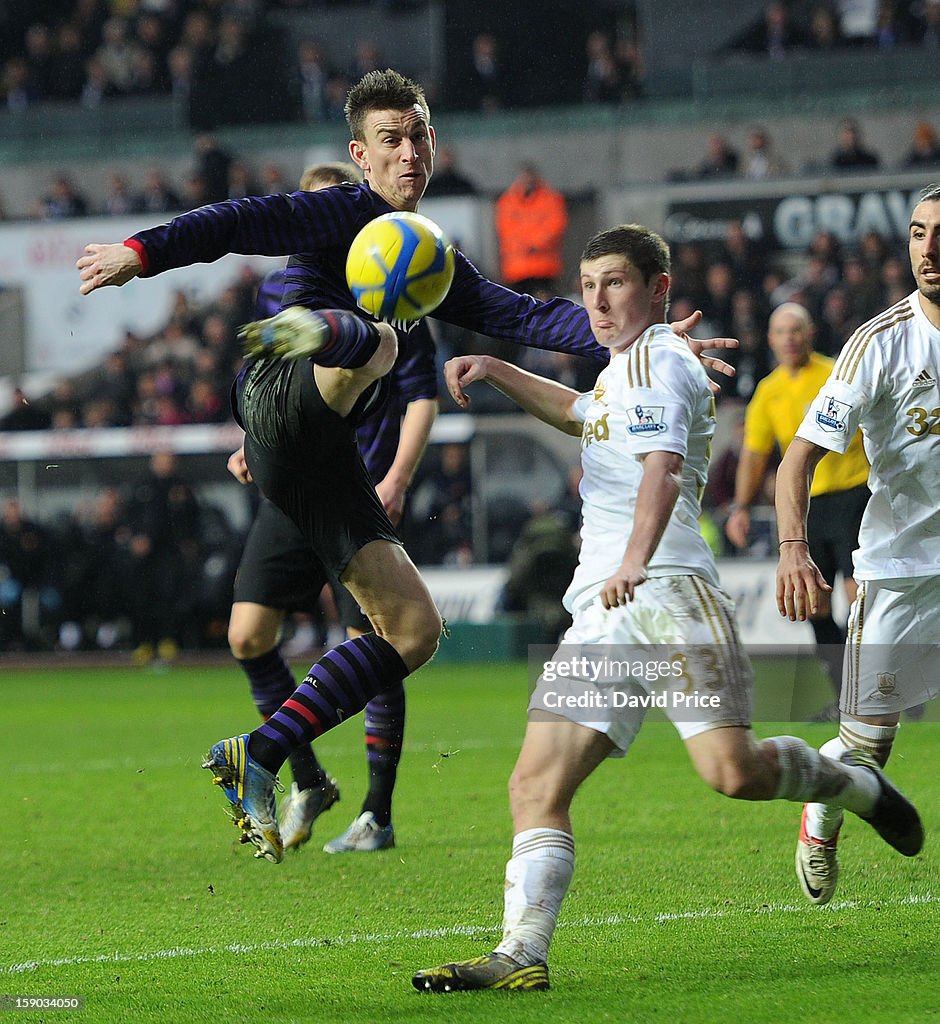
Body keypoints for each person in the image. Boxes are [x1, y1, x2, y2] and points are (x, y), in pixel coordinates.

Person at [76, 68, 735, 865]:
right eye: (391, 139)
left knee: (415, 632)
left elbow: (524, 314)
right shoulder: (341, 211)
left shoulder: (430, 257)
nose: (410, 151)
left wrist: (645, 333)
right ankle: (305, 331)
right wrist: (140, 252)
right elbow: (239, 219)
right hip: (284, 391)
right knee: (389, 340)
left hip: (320, 461)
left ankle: (260, 754)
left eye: (419, 133)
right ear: (361, 154)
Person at [412, 223, 922, 993]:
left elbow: (661, 469)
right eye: (587, 286)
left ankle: (855, 787)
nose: (596, 300)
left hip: (669, 589)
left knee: (733, 772)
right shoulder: (628, 367)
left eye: (614, 283)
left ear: (658, 290)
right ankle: (522, 953)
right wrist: (497, 370)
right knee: (534, 784)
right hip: (608, 605)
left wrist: (634, 562)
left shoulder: (656, 359)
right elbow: (587, 412)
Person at [226, 160, 438, 854]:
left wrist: (399, 476)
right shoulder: (280, 292)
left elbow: (420, 395)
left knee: (380, 638)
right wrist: (252, 442)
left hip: (360, 481)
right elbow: (267, 381)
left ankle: (376, 809)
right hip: (292, 482)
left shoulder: (395, 286)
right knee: (249, 636)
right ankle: (304, 777)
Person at [775, 183, 940, 906]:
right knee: (869, 746)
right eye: (916, 233)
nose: (929, 249)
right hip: (902, 570)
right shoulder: (879, 344)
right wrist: (791, 545)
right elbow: (797, 460)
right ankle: (822, 808)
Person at [724, 303, 869, 717]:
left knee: (857, 597)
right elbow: (754, 455)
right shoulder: (768, 391)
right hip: (806, 507)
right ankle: (848, 696)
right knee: (816, 605)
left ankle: (880, 689)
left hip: (854, 495)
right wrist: (740, 506)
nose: (789, 338)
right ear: (770, 340)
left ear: (809, 334)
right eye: (780, 331)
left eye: (796, 330)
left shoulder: (836, 373)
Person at [494, 162, 568, 294]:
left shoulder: (551, 199)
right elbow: (505, 229)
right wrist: (528, 245)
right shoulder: (507, 202)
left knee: (546, 306)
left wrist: (535, 244)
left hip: (544, 267)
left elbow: (556, 226)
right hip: (517, 269)